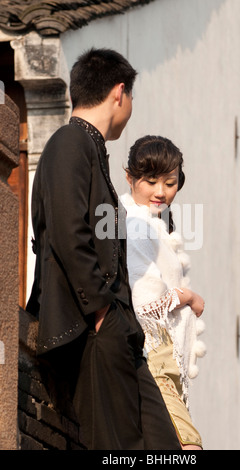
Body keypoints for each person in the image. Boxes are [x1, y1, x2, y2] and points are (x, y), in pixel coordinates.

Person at [26, 49, 181, 450]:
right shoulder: (69, 142)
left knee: (167, 443)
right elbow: (67, 231)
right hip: (93, 327)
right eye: (131, 97)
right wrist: (99, 311)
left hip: (120, 329)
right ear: (119, 93)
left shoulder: (90, 149)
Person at [121, 135, 207, 450]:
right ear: (129, 177)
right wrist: (187, 297)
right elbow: (145, 308)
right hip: (153, 357)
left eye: (170, 183)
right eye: (151, 181)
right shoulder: (136, 226)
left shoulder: (153, 224)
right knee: (188, 446)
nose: (161, 192)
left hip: (160, 357)